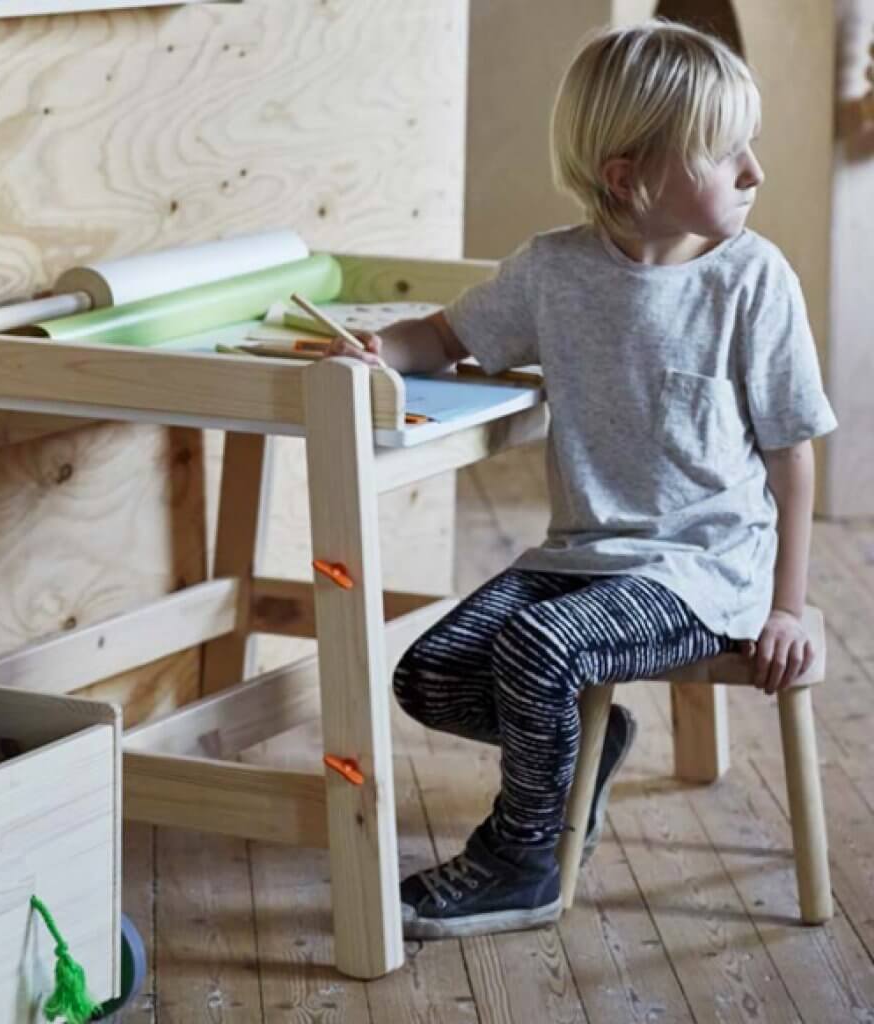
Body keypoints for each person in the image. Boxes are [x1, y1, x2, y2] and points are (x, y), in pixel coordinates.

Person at [323, 19, 838, 940]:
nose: (755, 171)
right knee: (430, 675)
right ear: (627, 174)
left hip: (702, 569)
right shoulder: (552, 271)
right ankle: (578, 760)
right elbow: (443, 337)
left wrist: (786, 607)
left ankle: (522, 863)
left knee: (540, 653)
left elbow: (793, 454)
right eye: (725, 153)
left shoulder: (754, 282)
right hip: (581, 557)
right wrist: (379, 353)